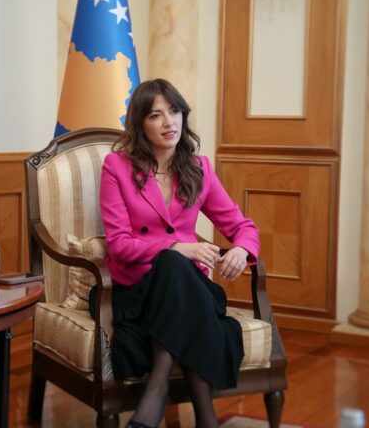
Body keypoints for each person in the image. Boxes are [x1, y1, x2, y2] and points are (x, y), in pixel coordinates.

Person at [100, 78, 260, 428]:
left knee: (176, 271)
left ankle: (155, 394)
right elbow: (119, 245)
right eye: (156, 115)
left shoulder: (199, 168)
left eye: (174, 111)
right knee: (173, 262)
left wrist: (241, 249)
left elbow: (243, 227)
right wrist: (176, 247)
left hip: (189, 288)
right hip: (139, 291)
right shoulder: (117, 167)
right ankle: (206, 418)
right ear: (140, 123)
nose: (169, 122)